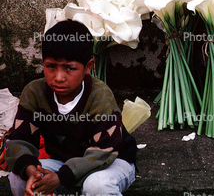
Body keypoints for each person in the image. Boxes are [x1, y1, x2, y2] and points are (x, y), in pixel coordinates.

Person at [5, 19, 137, 196]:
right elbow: (19, 142)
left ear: (88, 67)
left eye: (70, 68)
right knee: (19, 178)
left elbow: (104, 152)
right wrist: (33, 172)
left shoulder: (99, 95)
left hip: (110, 162)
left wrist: (60, 178)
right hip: (64, 163)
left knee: (96, 186)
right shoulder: (34, 93)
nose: (58, 77)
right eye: (51, 66)